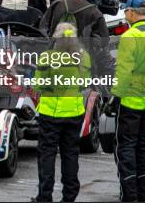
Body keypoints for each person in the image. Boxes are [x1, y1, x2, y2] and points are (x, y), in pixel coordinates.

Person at [105, 0, 145, 202]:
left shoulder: (130, 36)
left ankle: (129, 196)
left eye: (126, 11)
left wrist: (115, 97)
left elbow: (124, 71)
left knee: (126, 148)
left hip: (130, 100)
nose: (125, 14)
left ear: (132, 12)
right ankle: (144, 195)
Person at [34, 22, 91, 203]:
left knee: (47, 155)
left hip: (50, 112)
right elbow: (84, 83)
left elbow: (38, 85)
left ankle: (45, 196)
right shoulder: (83, 57)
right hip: (74, 111)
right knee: (70, 155)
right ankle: (69, 196)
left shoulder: (47, 57)